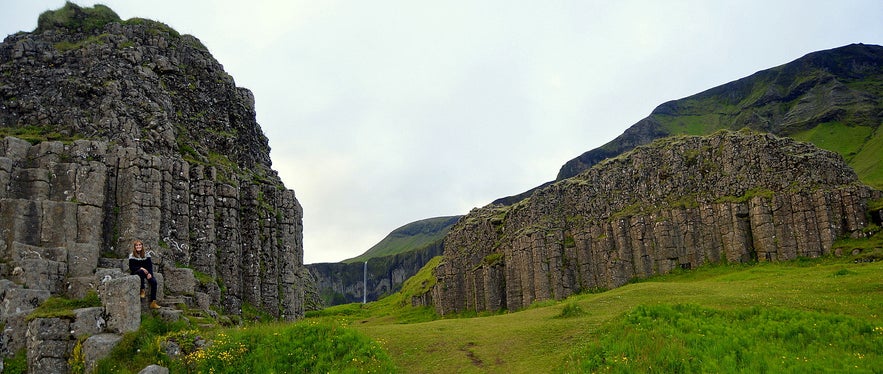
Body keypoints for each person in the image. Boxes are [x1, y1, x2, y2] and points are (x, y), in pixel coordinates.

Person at [128, 240, 160, 309]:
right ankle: (142, 289)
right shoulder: (131, 255)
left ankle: (153, 302)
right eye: (137, 245)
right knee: (141, 272)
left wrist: (150, 274)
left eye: (140, 245)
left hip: (146, 272)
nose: (138, 246)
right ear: (134, 247)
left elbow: (149, 266)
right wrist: (141, 268)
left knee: (153, 281)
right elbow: (132, 267)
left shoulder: (147, 255)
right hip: (136, 271)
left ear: (142, 246)